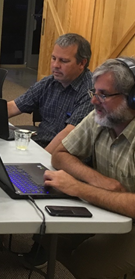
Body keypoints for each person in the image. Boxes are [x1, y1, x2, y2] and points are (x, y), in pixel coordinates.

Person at [40, 57, 135, 278]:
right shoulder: (101, 116)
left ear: (132, 99)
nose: (94, 101)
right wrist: (103, 183)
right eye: (95, 92)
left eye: (103, 94)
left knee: (87, 264)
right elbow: (60, 155)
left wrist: (79, 188)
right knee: (49, 234)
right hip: (110, 207)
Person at [7, 33, 93, 154]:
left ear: (82, 63)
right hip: (40, 144)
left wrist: (38, 162)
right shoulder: (49, 82)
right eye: (53, 58)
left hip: (63, 154)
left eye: (63, 61)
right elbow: (13, 107)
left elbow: (68, 135)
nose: (55, 65)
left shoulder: (91, 91)